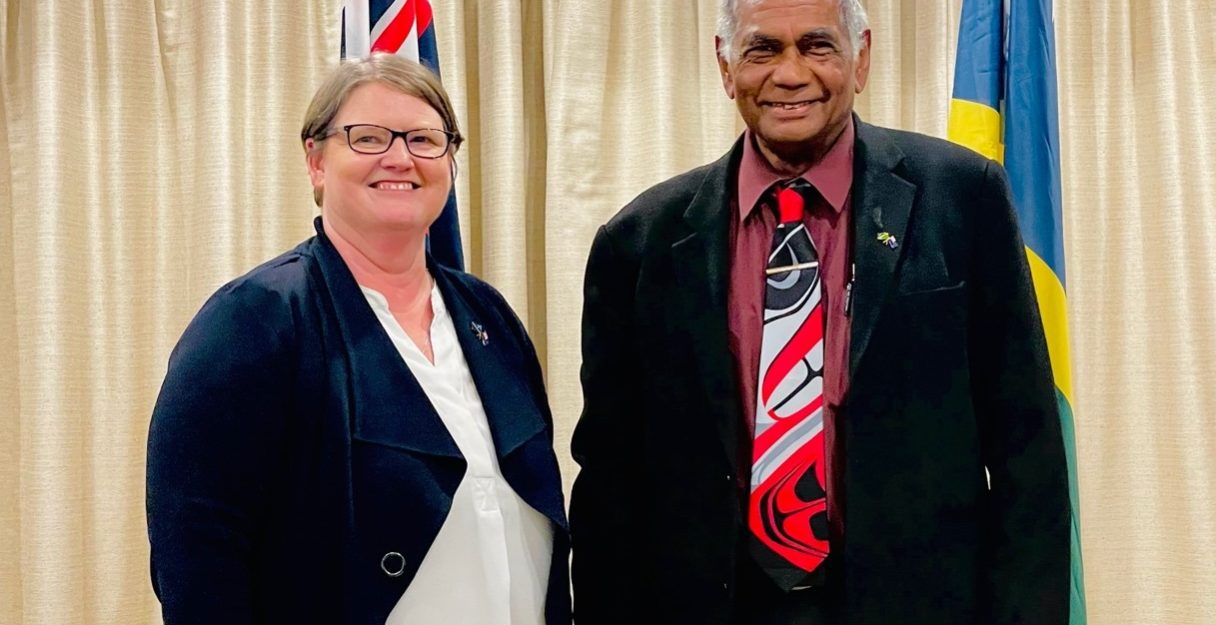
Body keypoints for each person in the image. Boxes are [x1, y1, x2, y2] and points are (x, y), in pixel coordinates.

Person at [569, 0, 1070, 623]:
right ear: (726, 67)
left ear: (860, 58)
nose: (790, 73)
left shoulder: (965, 198)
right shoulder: (638, 241)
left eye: (816, 45)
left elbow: (1028, 452)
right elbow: (610, 481)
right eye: (762, 50)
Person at [147, 54, 570, 625]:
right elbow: (198, 557)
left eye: (425, 139)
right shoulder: (254, 321)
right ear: (316, 161)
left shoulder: (487, 315)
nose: (400, 157)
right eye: (368, 137)